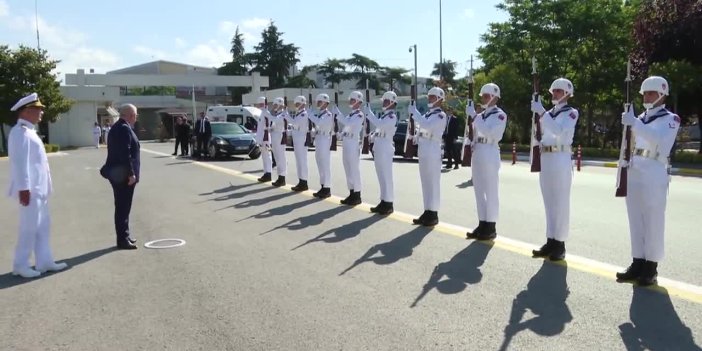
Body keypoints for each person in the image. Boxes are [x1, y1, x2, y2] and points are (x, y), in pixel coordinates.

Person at [617, 76, 679, 286]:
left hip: (654, 168)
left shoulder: (671, 119)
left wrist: (634, 123)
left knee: (653, 219)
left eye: (651, 93)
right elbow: (630, 143)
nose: (646, 97)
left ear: (662, 94)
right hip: (635, 167)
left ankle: (651, 266)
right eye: (644, 93)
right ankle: (637, 262)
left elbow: (660, 140)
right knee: (635, 218)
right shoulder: (639, 117)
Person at [7, 93, 68, 278]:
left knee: (43, 226)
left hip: (39, 190)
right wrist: (24, 189)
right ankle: (20, 264)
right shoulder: (19, 133)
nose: (41, 112)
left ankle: (44, 261)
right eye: (38, 109)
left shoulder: (30, 131)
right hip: (30, 191)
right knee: (29, 227)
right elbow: (19, 163)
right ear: (27, 111)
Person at [530, 78, 579, 261]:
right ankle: (550, 240)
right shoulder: (547, 113)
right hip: (547, 157)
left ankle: (560, 244)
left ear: (567, 93)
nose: (555, 94)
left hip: (560, 157)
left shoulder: (571, 112)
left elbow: (559, 130)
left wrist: (541, 112)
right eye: (553, 91)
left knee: (560, 202)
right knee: (549, 202)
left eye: (558, 91)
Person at [465, 83, 507, 241]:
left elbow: (491, 133)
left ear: (495, 98)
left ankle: (491, 226)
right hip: (479, 151)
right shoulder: (480, 115)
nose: (483, 98)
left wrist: (475, 117)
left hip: (490, 151)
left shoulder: (500, 115)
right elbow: (474, 134)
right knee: (479, 190)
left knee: (490, 190)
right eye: (482, 95)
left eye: (486, 95)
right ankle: (482, 222)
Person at [101, 104, 141, 250]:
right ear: (130, 115)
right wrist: (131, 174)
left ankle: (125, 235)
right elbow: (126, 154)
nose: (136, 118)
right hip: (123, 176)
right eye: (135, 115)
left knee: (123, 206)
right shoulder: (123, 128)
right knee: (123, 207)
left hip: (119, 174)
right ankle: (122, 240)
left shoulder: (119, 127)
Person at [407, 87, 448, 226]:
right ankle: (427, 210)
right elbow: (422, 128)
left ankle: (433, 213)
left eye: (432, 97)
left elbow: (428, 126)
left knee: (433, 183)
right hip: (424, 149)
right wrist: (415, 136)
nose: (429, 99)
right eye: (429, 96)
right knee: (425, 182)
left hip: (432, 150)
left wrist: (415, 113)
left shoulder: (440, 115)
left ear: (439, 99)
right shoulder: (428, 114)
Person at [364, 91, 398, 215]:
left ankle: (389, 203)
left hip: (385, 148)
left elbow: (380, 125)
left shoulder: (391, 117)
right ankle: (383, 201)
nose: (383, 103)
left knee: (386, 177)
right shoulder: (384, 116)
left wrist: (369, 114)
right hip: (379, 147)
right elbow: (379, 129)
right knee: (381, 177)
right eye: (383, 101)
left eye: (386, 101)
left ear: (392, 103)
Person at [332, 91, 365, 206]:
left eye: (352, 100)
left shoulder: (359, 115)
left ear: (357, 101)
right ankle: (351, 193)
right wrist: (340, 134)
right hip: (346, 143)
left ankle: (357, 195)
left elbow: (348, 123)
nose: (350, 102)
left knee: (354, 170)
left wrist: (338, 114)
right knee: (348, 169)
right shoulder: (351, 114)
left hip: (353, 144)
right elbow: (347, 127)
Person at [307, 94, 334, 198]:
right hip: (319, 140)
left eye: (320, 102)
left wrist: (310, 114)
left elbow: (319, 122)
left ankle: (327, 188)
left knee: (325, 165)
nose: (317, 103)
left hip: (324, 140)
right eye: (317, 101)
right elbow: (318, 125)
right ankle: (323, 186)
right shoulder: (320, 114)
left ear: (326, 103)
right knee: (320, 164)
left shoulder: (328, 115)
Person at [285, 96, 310, 191]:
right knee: (298, 162)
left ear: (303, 104)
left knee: (302, 162)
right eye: (295, 104)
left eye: (297, 103)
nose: (296, 105)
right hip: (297, 140)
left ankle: (304, 182)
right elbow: (295, 126)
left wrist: (286, 115)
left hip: (301, 140)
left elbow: (295, 123)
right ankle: (301, 181)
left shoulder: (303, 114)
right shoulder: (298, 114)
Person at [261, 97, 288, 187]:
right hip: (275, 137)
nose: (274, 106)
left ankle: (282, 177)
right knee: (277, 158)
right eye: (274, 104)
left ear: (281, 105)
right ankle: (280, 177)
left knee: (281, 158)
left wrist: (267, 113)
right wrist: (269, 129)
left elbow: (275, 120)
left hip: (280, 137)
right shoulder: (277, 114)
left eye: (276, 105)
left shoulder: (283, 114)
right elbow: (274, 125)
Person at [253, 97, 274, 182]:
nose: (258, 106)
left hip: (265, 138)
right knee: (264, 157)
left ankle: (268, 173)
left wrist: (262, 139)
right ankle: (266, 173)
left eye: (259, 104)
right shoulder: (262, 113)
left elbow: (266, 127)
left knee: (267, 156)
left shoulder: (266, 113)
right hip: (262, 138)